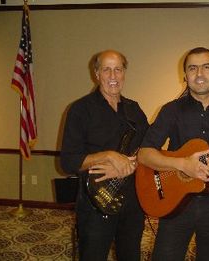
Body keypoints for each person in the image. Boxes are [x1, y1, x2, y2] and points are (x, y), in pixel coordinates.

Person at [137, 47, 209, 261]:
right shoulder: (170, 111)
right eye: (193, 68)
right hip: (176, 202)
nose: (199, 74)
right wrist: (183, 164)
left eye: (206, 67)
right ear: (185, 76)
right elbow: (144, 154)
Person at [60, 50, 149, 261]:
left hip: (132, 202)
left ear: (124, 73)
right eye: (106, 70)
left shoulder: (134, 109)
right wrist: (108, 156)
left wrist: (131, 164)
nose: (113, 76)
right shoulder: (80, 110)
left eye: (118, 69)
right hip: (95, 203)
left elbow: (148, 150)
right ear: (96, 73)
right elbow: (68, 161)